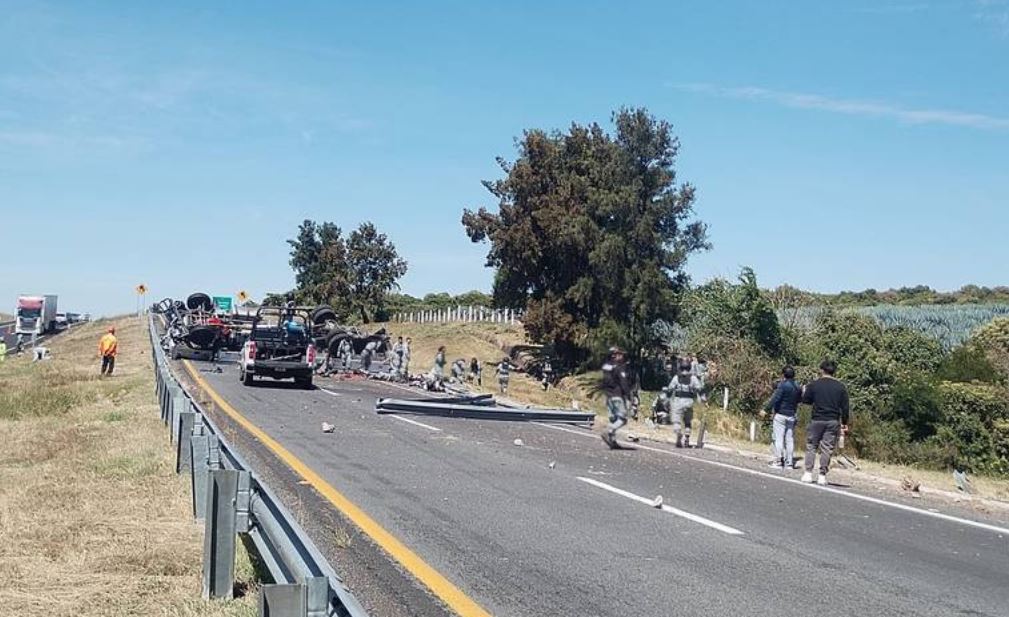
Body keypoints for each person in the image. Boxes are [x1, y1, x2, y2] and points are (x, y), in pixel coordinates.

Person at [801, 359, 851, 485]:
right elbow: (845, 407)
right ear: (834, 372)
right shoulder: (841, 387)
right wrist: (844, 422)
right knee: (827, 448)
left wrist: (804, 391)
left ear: (821, 370)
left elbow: (806, 401)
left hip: (817, 418)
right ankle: (822, 475)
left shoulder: (814, 384)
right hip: (833, 420)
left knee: (812, 445)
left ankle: (808, 473)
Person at [762, 366, 802, 469]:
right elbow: (799, 400)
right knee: (789, 439)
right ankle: (789, 463)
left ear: (783, 375)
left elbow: (775, 398)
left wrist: (766, 409)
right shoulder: (798, 386)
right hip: (792, 415)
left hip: (780, 415)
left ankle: (778, 461)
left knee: (778, 438)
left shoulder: (782, 385)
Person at [601, 347, 632, 449]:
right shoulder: (618, 367)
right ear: (615, 355)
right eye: (620, 354)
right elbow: (623, 382)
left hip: (608, 396)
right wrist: (628, 395)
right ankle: (609, 431)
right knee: (622, 419)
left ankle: (612, 441)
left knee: (613, 419)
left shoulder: (605, 367)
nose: (622, 357)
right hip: (617, 396)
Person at [669, 361, 702, 448]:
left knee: (676, 420)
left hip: (678, 401)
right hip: (689, 402)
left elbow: (671, 388)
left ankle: (678, 432)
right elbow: (699, 388)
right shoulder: (693, 378)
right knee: (687, 421)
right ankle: (687, 436)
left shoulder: (677, 378)